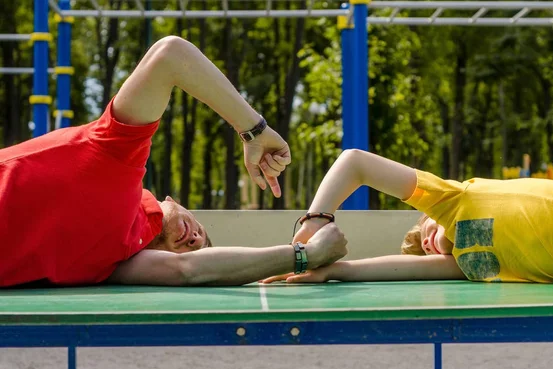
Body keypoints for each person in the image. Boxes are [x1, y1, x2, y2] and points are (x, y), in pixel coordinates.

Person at [0, 35, 348, 288]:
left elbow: (191, 270)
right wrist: (254, 131)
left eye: (196, 248)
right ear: (172, 201)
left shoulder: (116, 264)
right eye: (202, 231)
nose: (196, 241)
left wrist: (305, 256)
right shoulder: (118, 158)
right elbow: (170, 55)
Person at [261, 148, 553, 284]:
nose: (427, 242)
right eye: (425, 247)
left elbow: (355, 163)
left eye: (426, 228)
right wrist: (327, 271)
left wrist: (316, 219)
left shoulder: (451, 201)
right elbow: (392, 268)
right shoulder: (469, 263)